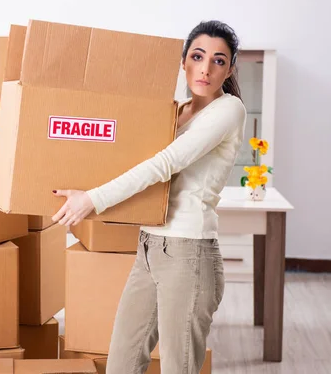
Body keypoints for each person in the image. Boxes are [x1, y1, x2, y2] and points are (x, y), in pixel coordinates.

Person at [51, 20, 247, 374]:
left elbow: (164, 164)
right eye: (197, 56)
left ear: (229, 69)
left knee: (178, 367)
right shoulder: (177, 110)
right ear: (183, 61)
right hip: (150, 246)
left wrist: (91, 199)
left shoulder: (228, 110)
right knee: (121, 363)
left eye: (218, 60)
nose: (205, 68)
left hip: (189, 252)